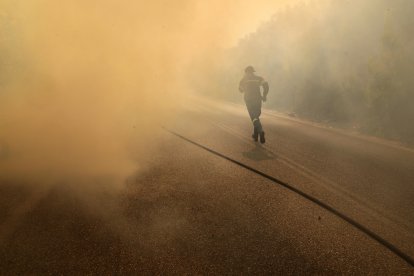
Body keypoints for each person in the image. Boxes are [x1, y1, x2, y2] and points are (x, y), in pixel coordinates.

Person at [239, 66, 269, 143]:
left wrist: (245, 88)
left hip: (249, 100)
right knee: (256, 116)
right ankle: (255, 135)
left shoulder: (243, 79)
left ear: (246, 72)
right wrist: (264, 95)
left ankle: (260, 131)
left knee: (254, 117)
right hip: (258, 99)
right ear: (253, 72)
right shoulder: (259, 78)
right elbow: (266, 85)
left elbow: (240, 90)